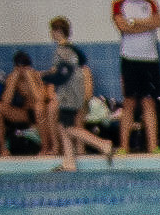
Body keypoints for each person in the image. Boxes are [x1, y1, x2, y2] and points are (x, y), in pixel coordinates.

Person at [44, 17, 115, 169]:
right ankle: (69, 162)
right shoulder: (73, 49)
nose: (51, 34)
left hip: (68, 93)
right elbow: (81, 62)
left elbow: (62, 74)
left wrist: (43, 76)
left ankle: (102, 144)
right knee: (63, 126)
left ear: (58, 31)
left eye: (52, 31)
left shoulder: (62, 51)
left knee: (68, 127)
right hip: (74, 92)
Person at [110, 0, 160, 155]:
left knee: (149, 103)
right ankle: (124, 146)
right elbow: (123, 27)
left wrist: (134, 23)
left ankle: (153, 145)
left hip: (150, 60)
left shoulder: (150, 3)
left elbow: (157, 22)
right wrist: (143, 24)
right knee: (129, 103)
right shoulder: (119, 4)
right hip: (130, 60)